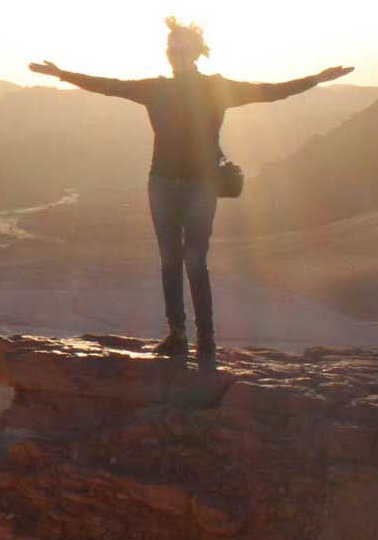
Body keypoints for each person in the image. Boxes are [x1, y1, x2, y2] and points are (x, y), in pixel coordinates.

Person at [29, 18, 352, 362]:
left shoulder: (211, 88)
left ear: (194, 53)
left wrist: (315, 80)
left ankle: (206, 338)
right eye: (171, 50)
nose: (175, 55)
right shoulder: (159, 88)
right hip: (165, 184)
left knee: (193, 260)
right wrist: (62, 74)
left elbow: (269, 91)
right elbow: (110, 85)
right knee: (171, 260)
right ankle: (179, 335)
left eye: (180, 50)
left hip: (196, 185)